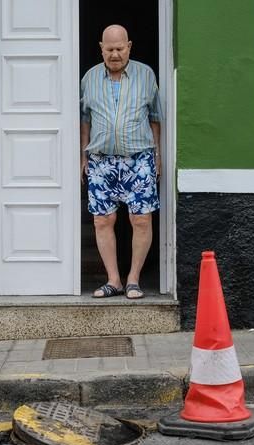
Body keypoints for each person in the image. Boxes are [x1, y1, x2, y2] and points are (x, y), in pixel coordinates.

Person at [80, 24, 162, 299]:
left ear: (129, 47)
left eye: (119, 49)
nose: (115, 54)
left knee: (141, 219)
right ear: (101, 49)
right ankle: (113, 280)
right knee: (103, 220)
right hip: (101, 159)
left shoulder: (145, 75)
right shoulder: (89, 77)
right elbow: (85, 120)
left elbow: (155, 118)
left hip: (139, 157)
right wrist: (83, 155)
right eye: (109, 49)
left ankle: (133, 279)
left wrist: (157, 155)